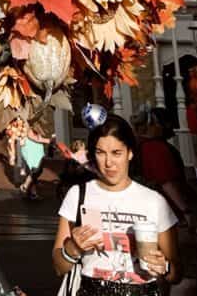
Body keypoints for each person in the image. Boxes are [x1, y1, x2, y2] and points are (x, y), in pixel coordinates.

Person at [53, 114, 183, 294]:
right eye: (100, 153)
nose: (108, 163)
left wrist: (165, 267)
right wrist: (73, 249)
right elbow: (59, 267)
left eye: (116, 153)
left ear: (130, 153)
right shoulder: (78, 195)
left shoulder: (154, 201)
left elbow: (176, 274)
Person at [18, 125, 52, 200]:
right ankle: (24, 186)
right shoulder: (29, 129)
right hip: (31, 153)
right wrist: (48, 140)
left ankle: (33, 193)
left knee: (37, 172)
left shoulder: (38, 129)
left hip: (37, 154)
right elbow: (35, 138)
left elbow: (39, 138)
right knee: (35, 171)